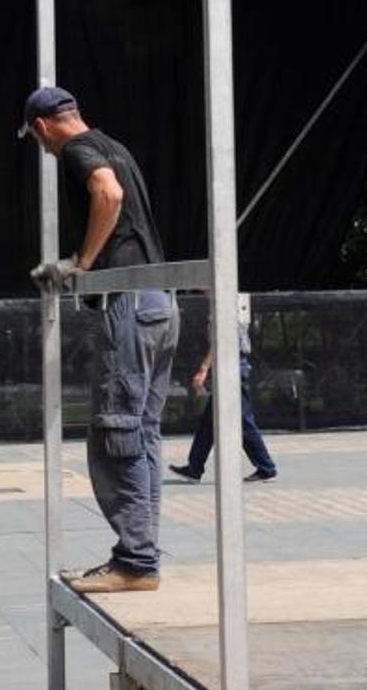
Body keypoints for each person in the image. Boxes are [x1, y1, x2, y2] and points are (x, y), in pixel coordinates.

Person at [21, 85, 179, 593]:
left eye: (37, 140)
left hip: (128, 304)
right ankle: (141, 554)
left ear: (43, 127)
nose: (42, 149)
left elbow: (107, 193)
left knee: (116, 434)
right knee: (143, 432)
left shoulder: (77, 150)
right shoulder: (116, 144)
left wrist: (81, 264)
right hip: (160, 301)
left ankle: (135, 562)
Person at [170, 304, 277, 484]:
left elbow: (223, 339)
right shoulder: (221, 303)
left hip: (232, 365)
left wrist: (204, 369)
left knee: (242, 421)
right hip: (230, 365)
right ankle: (194, 467)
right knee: (210, 422)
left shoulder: (225, 303)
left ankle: (266, 467)